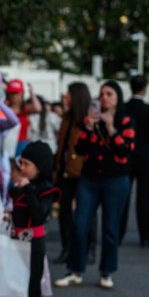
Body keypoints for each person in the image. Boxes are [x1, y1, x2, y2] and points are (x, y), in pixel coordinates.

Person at [55, 81, 135, 290]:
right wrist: (89, 127)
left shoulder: (125, 121)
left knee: (110, 228)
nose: (104, 97)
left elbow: (125, 151)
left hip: (115, 180)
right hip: (89, 179)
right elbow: (80, 149)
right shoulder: (90, 120)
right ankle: (75, 270)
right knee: (80, 225)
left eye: (109, 94)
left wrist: (110, 128)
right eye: (101, 94)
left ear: (117, 97)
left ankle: (106, 272)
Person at [0, 142, 58, 297]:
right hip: (14, 240)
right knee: (11, 282)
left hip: (34, 244)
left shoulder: (46, 189)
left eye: (27, 163)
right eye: (21, 162)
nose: (22, 168)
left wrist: (29, 190)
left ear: (40, 166)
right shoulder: (19, 187)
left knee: (31, 286)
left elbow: (39, 216)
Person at [119, 74, 149, 246]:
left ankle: (118, 234)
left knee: (123, 197)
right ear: (145, 89)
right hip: (146, 157)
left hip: (126, 156)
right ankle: (146, 235)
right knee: (145, 199)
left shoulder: (122, 108)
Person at [53, 83, 92, 264]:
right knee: (64, 212)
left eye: (68, 95)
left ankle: (88, 248)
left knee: (86, 211)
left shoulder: (87, 120)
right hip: (65, 172)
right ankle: (67, 247)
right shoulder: (67, 118)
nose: (65, 98)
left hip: (83, 172)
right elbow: (61, 145)